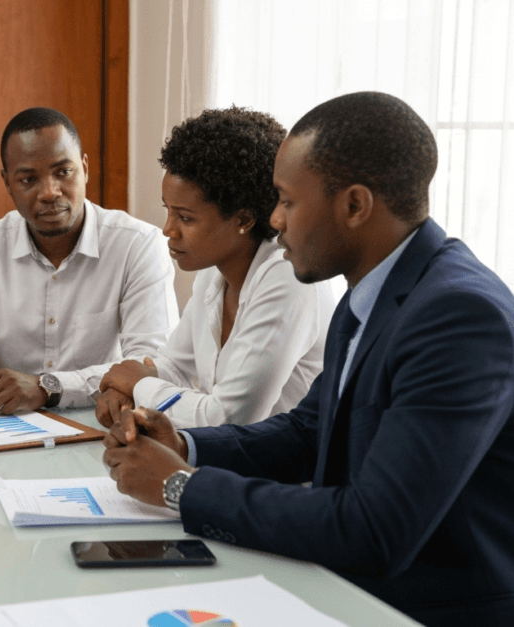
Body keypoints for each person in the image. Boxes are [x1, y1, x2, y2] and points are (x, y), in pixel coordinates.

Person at [102, 92, 514, 625]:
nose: (274, 219)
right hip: (344, 587)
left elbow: (374, 530)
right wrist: (185, 443)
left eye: (287, 201)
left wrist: (183, 486)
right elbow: (307, 431)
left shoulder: (458, 316)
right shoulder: (370, 292)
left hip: (423, 609)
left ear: (355, 206)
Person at [0, 107, 179, 417]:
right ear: (7, 183)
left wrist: (48, 387)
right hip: (7, 427)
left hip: (101, 423)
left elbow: (151, 362)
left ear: (84, 168)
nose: (50, 192)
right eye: (28, 179)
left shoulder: (138, 245)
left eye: (63, 172)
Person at [96, 107, 333, 430]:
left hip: (283, 475)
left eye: (186, 217)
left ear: (243, 219)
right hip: (229, 462)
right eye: (169, 211)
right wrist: (122, 389)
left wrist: (138, 386)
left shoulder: (287, 276)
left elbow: (230, 417)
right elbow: (173, 366)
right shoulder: (215, 271)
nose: (168, 229)